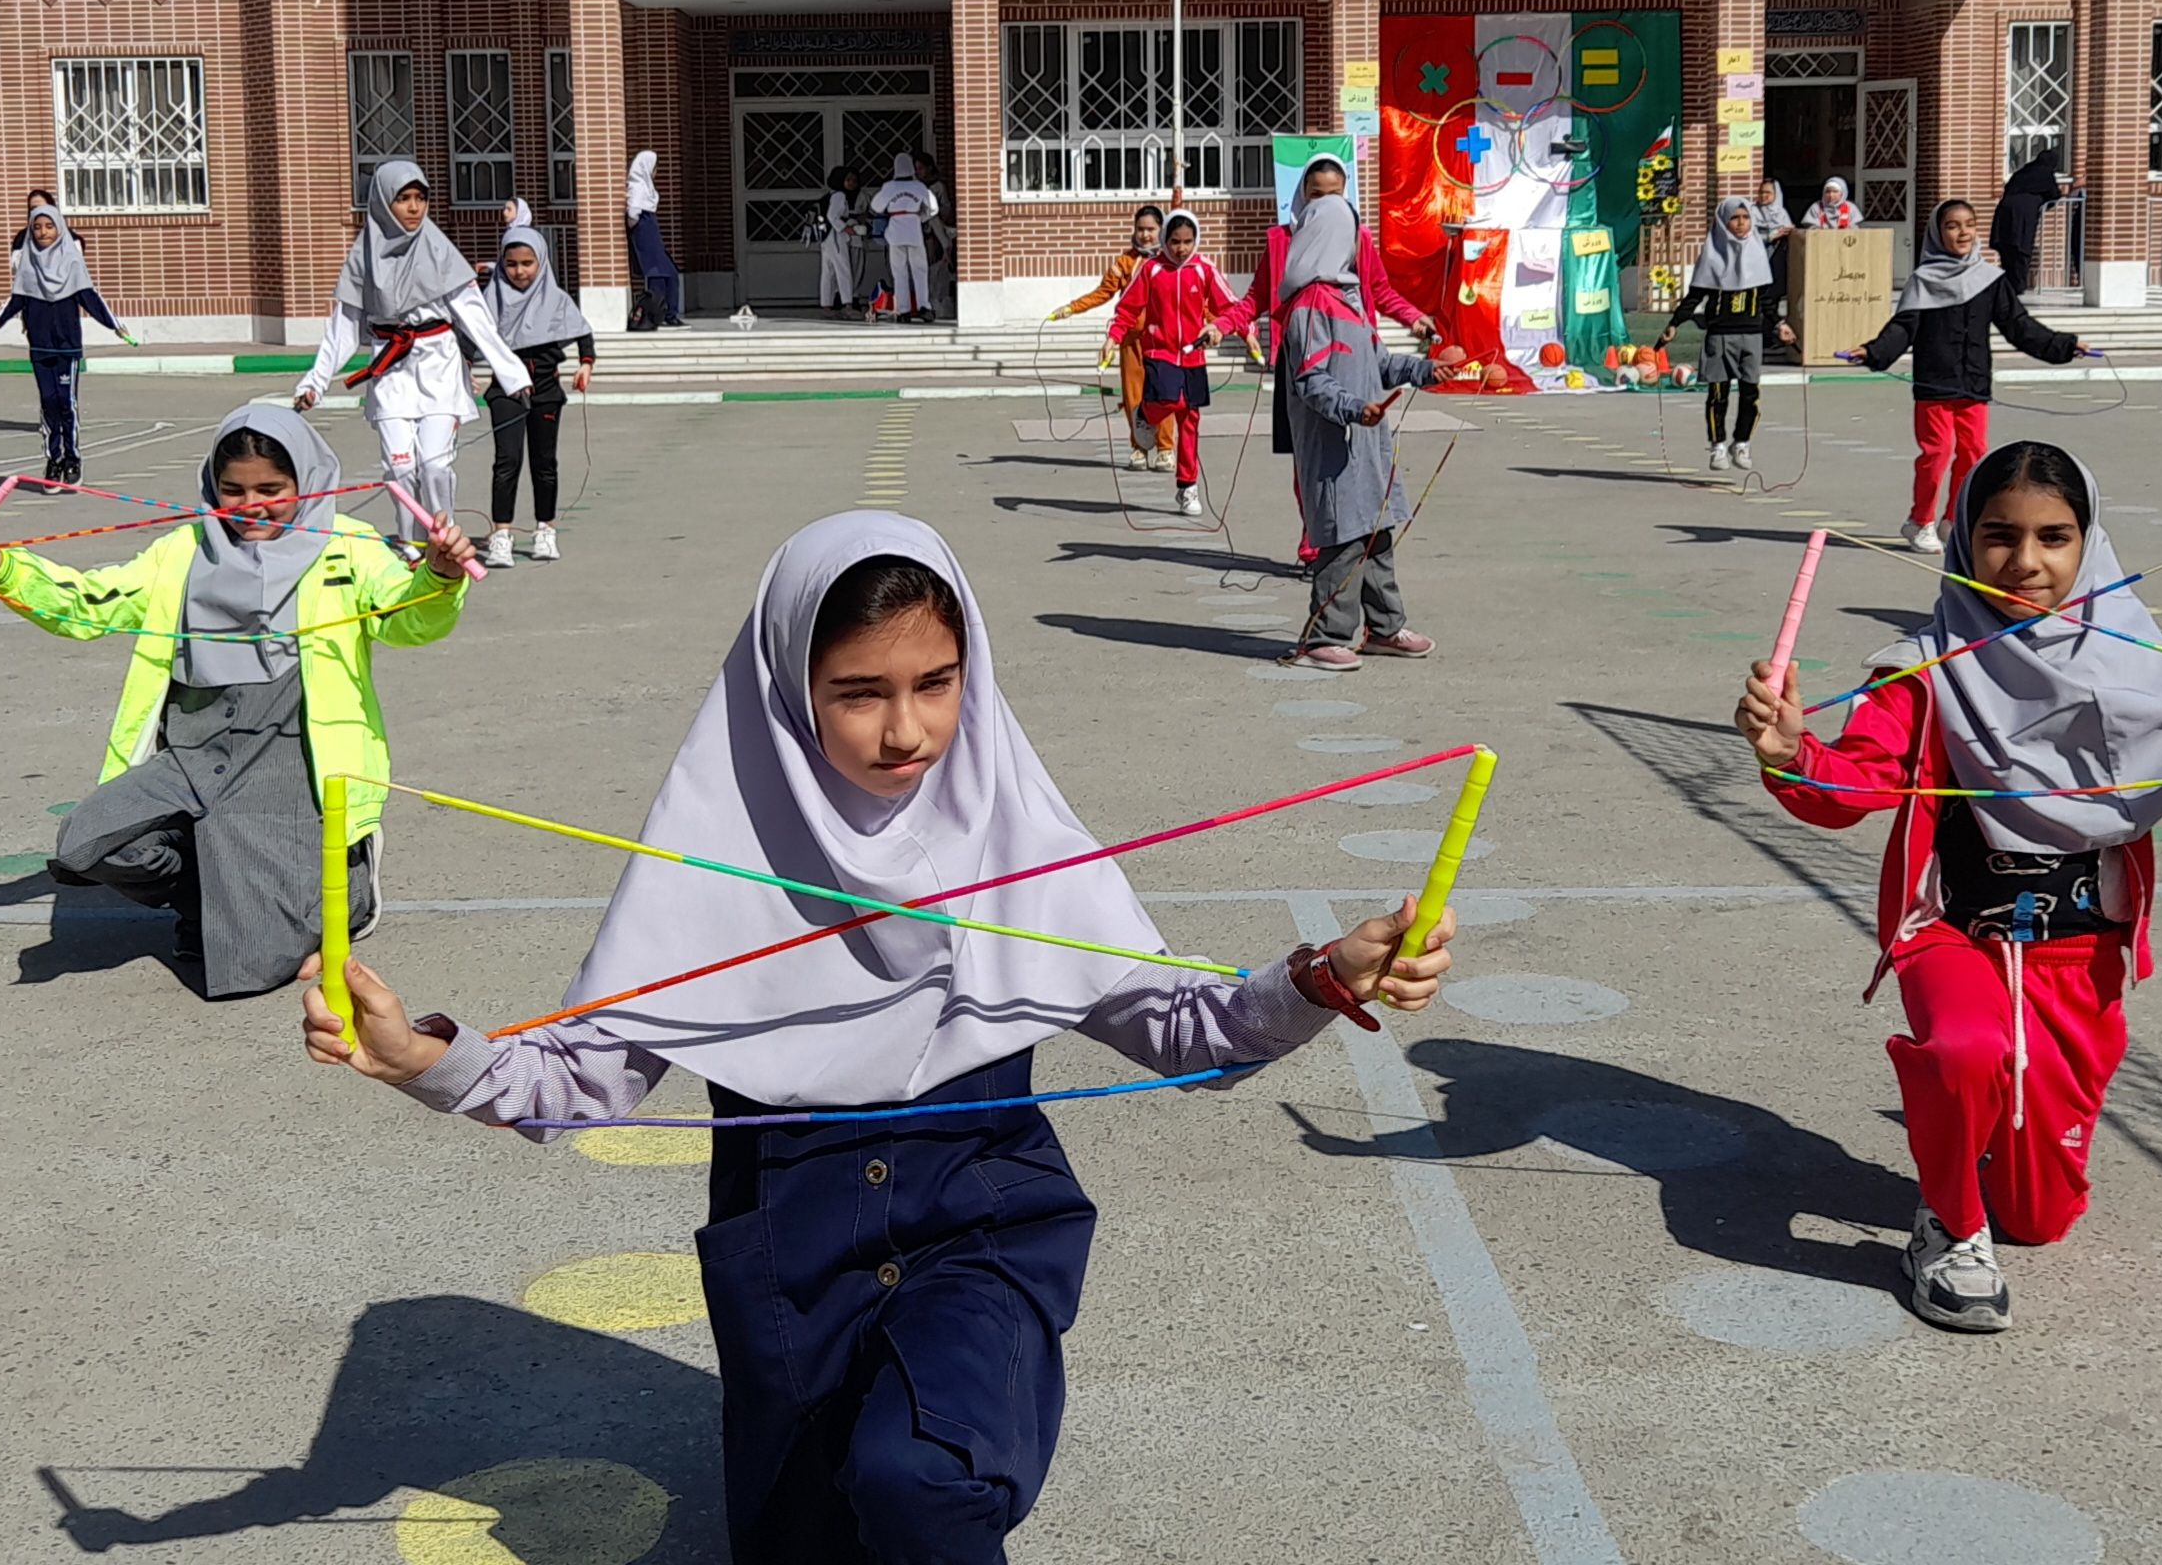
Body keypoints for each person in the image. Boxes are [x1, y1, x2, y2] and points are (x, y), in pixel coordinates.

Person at [300, 511, 1459, 1564]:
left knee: (925, 1481)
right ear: (784, 691)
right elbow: (581, 1083)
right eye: (858, 691)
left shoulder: (1010, 828)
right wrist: (420, 1057)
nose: (906, 729)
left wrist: (1320, 978)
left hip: (982, 1228)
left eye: (936, 682)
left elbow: (1185, 1027)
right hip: (791, 1269)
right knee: (814, 1535)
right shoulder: (719, 845)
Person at [1738, 440, 2162, 1333]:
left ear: (2088, 542)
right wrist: (1792, 752)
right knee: (1965, 1049)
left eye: (2054, 536)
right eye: (1997, 536)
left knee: (2040, 1219)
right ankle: (1944, 1222)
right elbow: (1852, 784)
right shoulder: (1925, 666)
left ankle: (1975, 1137)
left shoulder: (2136, 663)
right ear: (1960, 540)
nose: (2025, 562)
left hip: (2078, 957)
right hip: (1952, 933)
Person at [0, 406, 477, 996]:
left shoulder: (350, 545)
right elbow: (89, 605)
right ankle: (212, 897)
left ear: (307, 482)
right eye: (231, 490)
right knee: (86, 843)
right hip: (195, 748)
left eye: (271, 489)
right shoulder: (182, 551)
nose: (249, 506)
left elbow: (409, 619)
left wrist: (439, 576)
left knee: (247, 970)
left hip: (291, 758)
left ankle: (348, 888)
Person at [295, 159, 533, 545]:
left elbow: (476, 318)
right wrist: (315, 383)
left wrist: (512, 374)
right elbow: (342, 330)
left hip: (438, 367)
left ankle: (442, 539)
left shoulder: (440, 251)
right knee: (401, 466)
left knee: (435, 465)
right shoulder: (363, 258)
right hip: (391, 371)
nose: (413, 208)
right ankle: (411, 543)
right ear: (383, 203)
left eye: (420, 198)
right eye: (402, 198)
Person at [1269, 190, 1459, 669]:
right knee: (1343, 538)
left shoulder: (1349, 299)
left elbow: (1378, 363)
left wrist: (1424, 370)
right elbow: (1311, 380)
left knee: (1377, 532)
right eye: (1351, 234)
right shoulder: (1310, 305)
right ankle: (1322, 638)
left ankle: (1385, 627)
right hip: (1335, 444)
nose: (1357, 243)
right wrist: (1354, 409)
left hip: (1369, 443)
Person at [1845, 200, 2091, 554]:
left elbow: (2019, 326)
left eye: (1969, 225)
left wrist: (2064, 345)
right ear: (1937, 232)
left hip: (1973, 383)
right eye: (1952, 226)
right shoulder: (1923, 281)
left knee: (1974, 454)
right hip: (1934, 384)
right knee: (1937, 452)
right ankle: (1919, 521)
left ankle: (1953, 520)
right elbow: (1903, 329)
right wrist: (1873, 351)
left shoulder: (1989, 279)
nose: (1962, 233)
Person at [1231, 154, 1433, 564]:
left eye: (1334, 196)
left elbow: (1381, 289)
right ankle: (1320, 544)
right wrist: (1222, 324)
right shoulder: (1285, 251)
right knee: (1314, 462)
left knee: (1365, 457)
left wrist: (1415, 324)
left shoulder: (1354, 240)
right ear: (1302, 197)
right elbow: (1255, 299)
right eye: (1315, 195)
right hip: (1305, 359)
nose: (1324, 204)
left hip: (1354, 355)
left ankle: (1368, 571)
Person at [0, 201, 131, 491]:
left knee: (66, 404)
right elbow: (13, 303)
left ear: (59, 228)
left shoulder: (72, 263)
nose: (43, 232)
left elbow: (90, 298)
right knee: (48, 403)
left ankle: (73, 460)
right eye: (37, 227)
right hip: (40, 347)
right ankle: (53, 460)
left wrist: (115, 325)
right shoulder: (27, 267)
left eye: (49, 226)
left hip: (67, 347)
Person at [1107, 211, 1252, 518]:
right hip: (1159, 352)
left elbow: (1230, 307)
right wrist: (1113, 336)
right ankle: (1145, 413)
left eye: (1187, 242)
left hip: (1193, 355)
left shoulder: (1204, 269)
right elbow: (1128, 307)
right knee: (1170, 400)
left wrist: (1245, 332)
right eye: (1175, 242)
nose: (1181, 249)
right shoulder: (1152, 270)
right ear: (1165, 240)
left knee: (1190, 418)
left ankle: (1187, 487)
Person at [478, 223, 596, 568]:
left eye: (527, 263)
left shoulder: (556, 298)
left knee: (544, 463)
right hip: (505, 390)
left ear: (541, 262)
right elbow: (470, 337)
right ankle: (501, 534)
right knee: (507, 462)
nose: (520, 271)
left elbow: (583, 334)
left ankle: (546, 529)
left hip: (545, 389)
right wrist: (462, 370)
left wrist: (585, 365)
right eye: (512, 264)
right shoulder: (491, 299)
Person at [1663, 197, 1793, 475]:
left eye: (1745, 218)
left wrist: (1780, 323)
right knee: (1718, 394)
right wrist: (1675, 323)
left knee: (1750, 393)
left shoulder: (1758, 254)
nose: (1741, 223)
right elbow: (1696, 295)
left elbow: (1766, 300)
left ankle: (1742, 442)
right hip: (1720, 335)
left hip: (1751, 335)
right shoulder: (1712, 255)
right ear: (1723, 221)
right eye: (1735, 218)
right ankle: (1718, 445)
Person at [1053, 202, 1170, 468]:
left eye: (1151, 229)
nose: (1145, 235)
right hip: (1130, 339)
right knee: (1133, 396)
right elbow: (1102, 293)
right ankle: (1139, 447)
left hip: (1163, 340)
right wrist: (1072, 308)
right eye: (1140, 229)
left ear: (1161, 229)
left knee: (1164, 395)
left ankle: (1166, 448)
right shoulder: (1125, 262)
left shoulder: (1169, 263)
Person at [870, 155, 938, 324]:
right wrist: (919, 218)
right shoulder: (919, 186)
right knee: (920, 271)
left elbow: (875, 207)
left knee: (899, 272)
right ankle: (925, 307)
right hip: (914, 232)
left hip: (895, 233)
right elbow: (933, 208)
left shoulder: (889, 187)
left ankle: (903, 311)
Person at [1989, 149, 2063, 295]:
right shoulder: (2045, 174)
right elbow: (2054, 194)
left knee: (2008, 247)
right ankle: (2018, 285)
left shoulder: (2023, 172)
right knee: (2021, 248)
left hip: (2005, 210)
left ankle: (2009, 283)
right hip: (2024, 215)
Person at [627, 151, 684, 327]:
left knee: (669, 273)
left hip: (650, 229)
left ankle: (668, 312)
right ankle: (658, 314)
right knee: (657, 274)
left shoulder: (645, 186)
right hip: (645, 231)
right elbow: (633, 214)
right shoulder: (637, 187)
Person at [819, 166, 864, 321]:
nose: (852, 183)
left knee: (828, 272)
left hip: (826, 238)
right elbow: (833, 216)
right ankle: (848, 305)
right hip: (836, 236)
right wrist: (846, 228)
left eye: (854, 180)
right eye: (848, 180)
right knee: (844, 270)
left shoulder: (829, 195)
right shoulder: (839, 196)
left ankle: (826, 305)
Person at [1755, 178, 1797, 343]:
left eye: (1768, 193)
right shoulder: (1752, 211)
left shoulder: (1781, 213)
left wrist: (1790, 232)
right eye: (1761, 192)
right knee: (1760, 298)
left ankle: (1770, 336)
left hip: (1777, 261)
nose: (1764, 196)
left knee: (1772, 298)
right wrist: (1773, 235)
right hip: (1759, 261)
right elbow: (1750, 236)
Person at [916, 152, 957, 315]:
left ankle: (937, 303)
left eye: (920, 168)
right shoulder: (915, 187)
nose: (918, 172)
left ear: (929, 168)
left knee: (937, 267)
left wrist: (938, 219)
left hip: (936, 231)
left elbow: (946, 208)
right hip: (919, 232)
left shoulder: (938, 187)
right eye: (916, 169)